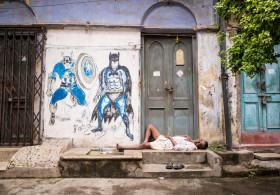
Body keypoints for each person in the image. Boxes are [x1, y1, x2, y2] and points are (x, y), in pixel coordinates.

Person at [116, 124, 208, 151]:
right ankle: (145, 141)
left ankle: (122, 148)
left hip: (165, 144)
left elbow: (177, 147)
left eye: (200, 142)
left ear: (199, 146)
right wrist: (185, 136)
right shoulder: (190, 141)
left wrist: (170, 138)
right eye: (201, 140)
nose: (199, 140)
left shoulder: (191, 147)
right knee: (150, 126)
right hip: (165, 139)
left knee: (142, 146)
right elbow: (178, 137)